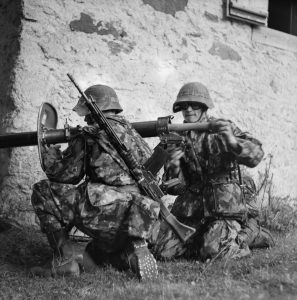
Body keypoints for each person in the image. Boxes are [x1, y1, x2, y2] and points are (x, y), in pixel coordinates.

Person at [30, 84, 160, 281]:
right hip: (139, 215)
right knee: (92, 255)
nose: (84, 119)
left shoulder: (90, 134)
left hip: (106, 209)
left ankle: (65, 262)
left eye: (85, 114)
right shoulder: (133, 133)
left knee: (42, 192)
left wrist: (51, 154)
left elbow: (64, 175)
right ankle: (133, 250)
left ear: (92, 110)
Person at [151, 82, 274, 261]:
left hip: (222, 207)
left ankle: (252, 234)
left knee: (216, 251)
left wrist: (233, 142)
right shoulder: (177, 138)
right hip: (192, 211)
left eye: (194, 105)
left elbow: (255, 156)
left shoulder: (222, 129)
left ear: (204, 107)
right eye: (184, 106)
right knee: (161, 250)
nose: (189, 109)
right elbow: (173, 188)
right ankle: (206, 240)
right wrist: (173, 164)